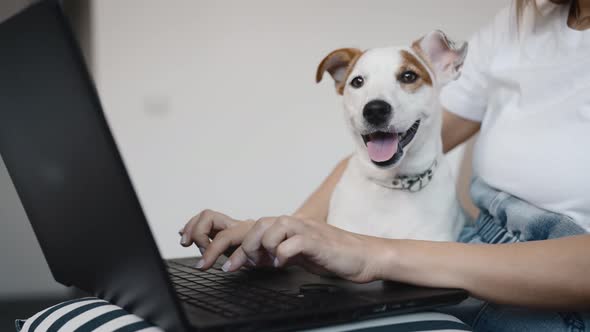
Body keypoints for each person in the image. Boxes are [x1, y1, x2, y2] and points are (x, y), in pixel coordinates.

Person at [179, 0, 590, 330]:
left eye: (406, 79)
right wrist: (283, 236)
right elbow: (405, 146)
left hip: (558, 291)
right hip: (475, 246)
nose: (379, 100)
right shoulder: (521, 22)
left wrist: (373, 255)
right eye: (357, 83)